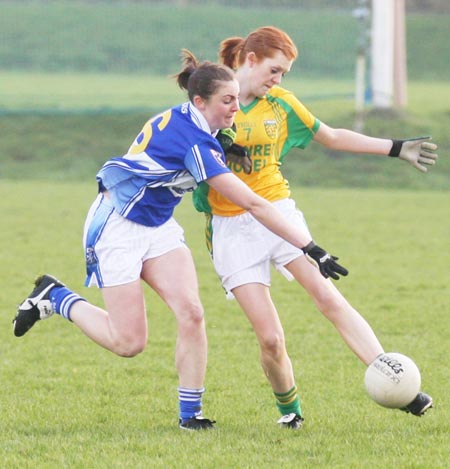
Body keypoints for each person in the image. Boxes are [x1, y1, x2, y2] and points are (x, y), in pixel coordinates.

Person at [13, 49, 347, 431]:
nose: (237, 108)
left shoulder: (199, 120)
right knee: (129, 343)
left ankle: (191, 416)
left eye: (238, 98)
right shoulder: (195, 143)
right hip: (116, 226)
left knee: (192, 313)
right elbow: (254, 203)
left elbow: (206, 140)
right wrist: (310, 247)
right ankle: (56, 297)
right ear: (200, 101)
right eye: (228, 100)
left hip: (158, 226)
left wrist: (227, 144)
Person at [193, 26, 438, 429]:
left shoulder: (281, 104)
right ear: (249, 59)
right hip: (231, 227)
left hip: (277, 212)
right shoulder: (212, 105)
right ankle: (290, 412)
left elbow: (332, 136)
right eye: (274, 71)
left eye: (284, 74)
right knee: (271, 339)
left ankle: (392, 376)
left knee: (328, 296)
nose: (278, 80)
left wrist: (395, 148)